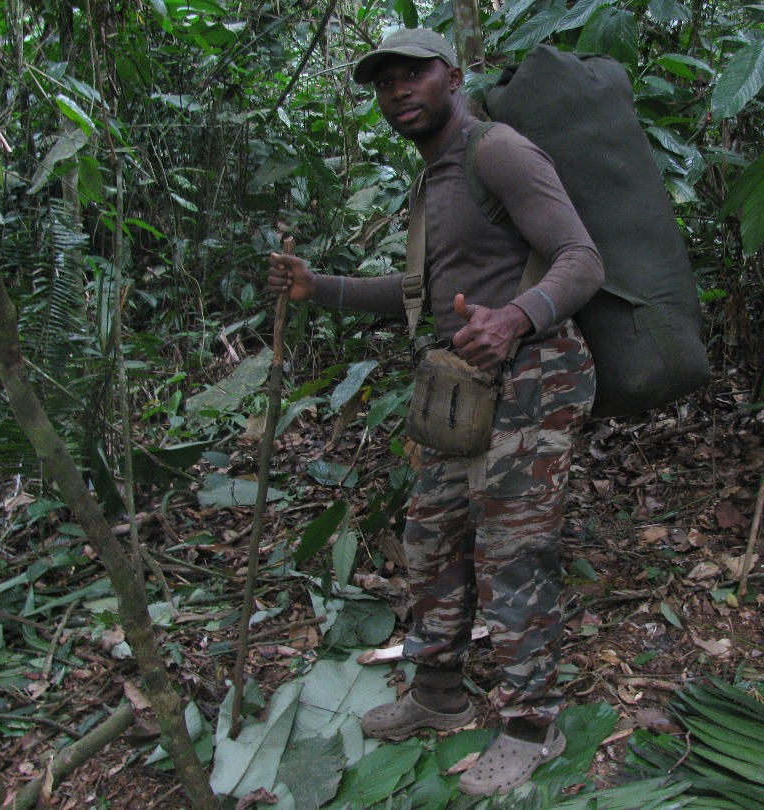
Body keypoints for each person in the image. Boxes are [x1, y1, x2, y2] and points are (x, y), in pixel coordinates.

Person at [267, 28, 604, 796]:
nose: (397, 92)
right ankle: (438, 694)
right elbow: (420, 293)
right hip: (463, 388)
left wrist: (515, 317)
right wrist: (320, 289)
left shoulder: (497, 151)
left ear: (451, 75)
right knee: (431, 538)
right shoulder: (436, 175)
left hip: (534, 376)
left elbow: (582, 258)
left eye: (412, 75)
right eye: (384, 84)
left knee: (514, 553)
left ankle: (530, 723)